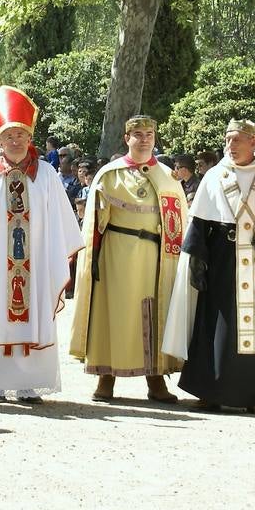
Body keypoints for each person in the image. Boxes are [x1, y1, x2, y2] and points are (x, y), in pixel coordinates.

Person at [0, 85, 82, 403]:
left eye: (20, 135)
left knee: (34, 310)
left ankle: (31, 385)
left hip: (35, 264)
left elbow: (61, 221)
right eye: (8, 136)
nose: (15, 141)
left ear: (29, 138)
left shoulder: (47, 174)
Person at [163, 118, 255, 414]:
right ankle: (208, 391)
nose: (230, 145)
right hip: (221, 255)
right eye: (227, 138)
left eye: (237, 139)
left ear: (253, 142)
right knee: (214, 320)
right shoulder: (216, 175)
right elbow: (199, 222)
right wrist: (196, 259)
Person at [70, 115, 186, 403]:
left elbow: (180, 223)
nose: (144, 138)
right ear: (127, 138)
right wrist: (91, 259)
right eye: (138, 134)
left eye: (149, 133)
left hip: (156, 257)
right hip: (116, 252)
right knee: (113, 311)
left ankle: (156, 379)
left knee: (154, 311)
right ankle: (105, 378)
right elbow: (94, 224)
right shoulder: (110, 174)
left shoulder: (167, 177)